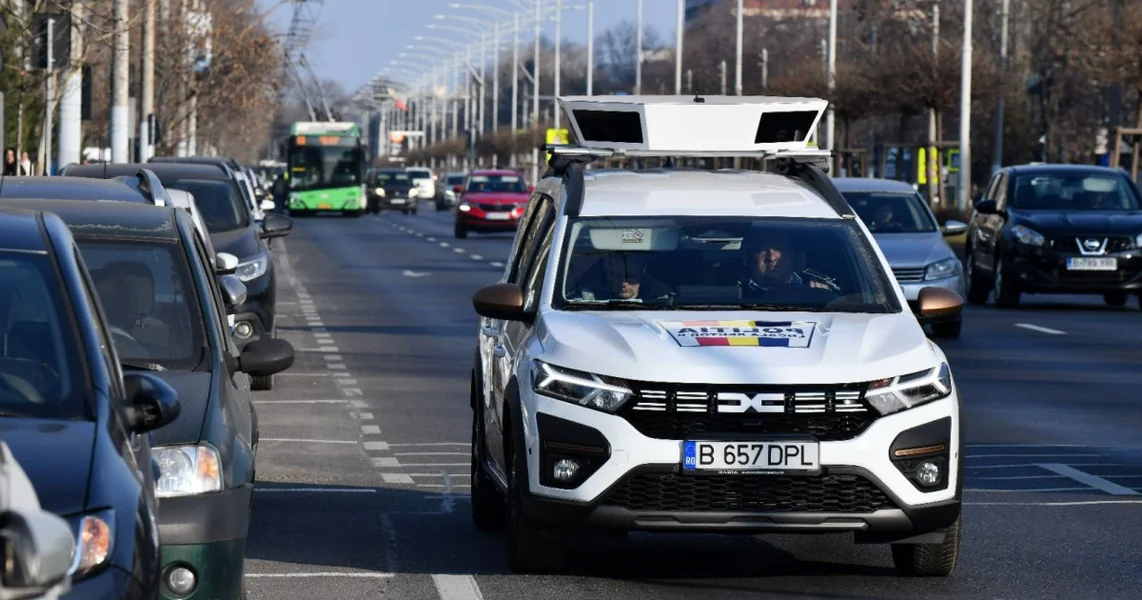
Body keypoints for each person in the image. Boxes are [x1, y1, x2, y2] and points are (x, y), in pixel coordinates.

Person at [740, 228, 838, 296]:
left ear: (793, 255)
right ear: (749, 257)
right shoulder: (734, 289)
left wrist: (825, 295)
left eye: (778, 249)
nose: (771, 257)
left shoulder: (813, 285)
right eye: (762, 250)